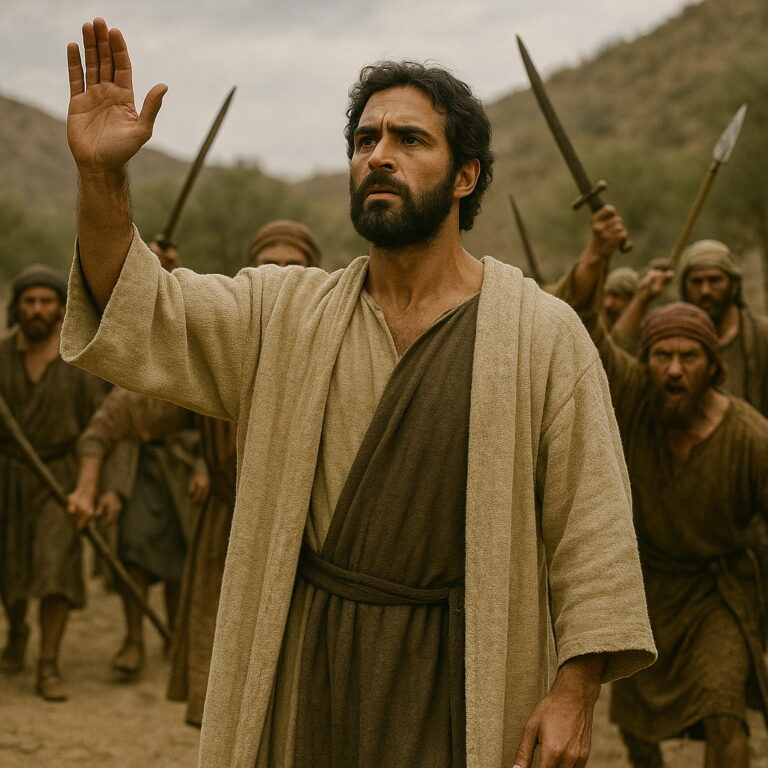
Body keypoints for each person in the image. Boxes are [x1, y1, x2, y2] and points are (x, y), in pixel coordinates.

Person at [62, 19, 656, 767]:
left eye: (409, 140)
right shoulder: (283, 314)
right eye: (365, 139)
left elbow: (593, 527)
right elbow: (135, 306)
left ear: (465, 174)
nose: (379, 155)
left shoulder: (541, 334)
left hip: (464, 666)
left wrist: (576, 692)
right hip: (308, 663)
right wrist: (100, 178)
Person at [557, 206, 768, 768]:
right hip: (644, 592)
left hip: (717, 593)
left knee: (725, 712)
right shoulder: (633, 400)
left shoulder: (751, 437)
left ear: (713, 367)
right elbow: (581, 327)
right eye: (662, 357)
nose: (674, 370)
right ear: (645, 364)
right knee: (637, 730)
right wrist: (598, 254)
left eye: (689, 357)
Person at [0, 265, 108, 701]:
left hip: (60, 478)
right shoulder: (2, 354)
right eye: (30, 302)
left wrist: (92, 487)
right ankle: (18, 632)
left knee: (54, 569)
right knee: (9, 569)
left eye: (47, 302)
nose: (38, 310)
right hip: (7, 476)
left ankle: (48, 663)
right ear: (18, 307)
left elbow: (99, 427)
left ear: (61, 309)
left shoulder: (78, 359)